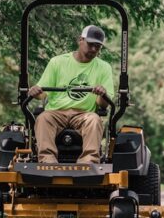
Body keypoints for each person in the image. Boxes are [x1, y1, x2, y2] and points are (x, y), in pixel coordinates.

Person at [27, 25, 115, 164]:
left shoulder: (104, 67)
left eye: (97, 47)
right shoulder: (58, 62)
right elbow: (42, 94)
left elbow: (103, 104)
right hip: (56, 112)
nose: (93, 49)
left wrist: (102, 94)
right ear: (80, 40)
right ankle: (47, 160)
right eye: (90, 44)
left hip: (84, 115)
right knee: (43, 118)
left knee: (94, 120)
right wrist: (35, 91)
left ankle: (88, 162)